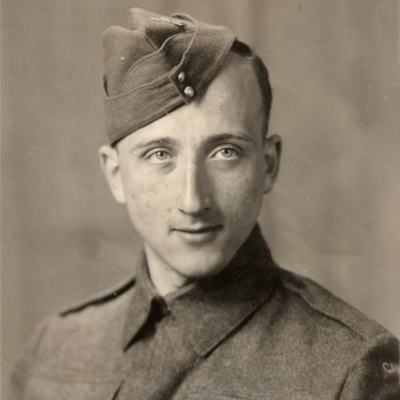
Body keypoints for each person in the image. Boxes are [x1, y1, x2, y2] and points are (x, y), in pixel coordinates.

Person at [9, 8, 399, 400]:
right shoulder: (54, 350)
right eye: (159, 155)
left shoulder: (350, 368)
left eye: (225, 152)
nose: (193, 201)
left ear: (268, 165)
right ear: (115, 174)